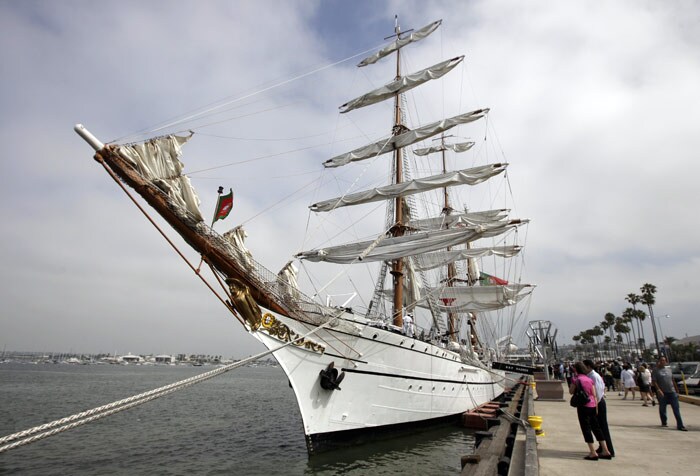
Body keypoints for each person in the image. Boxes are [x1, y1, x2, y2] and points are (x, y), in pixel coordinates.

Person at [570, 362, 613, 460]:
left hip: (583, 406)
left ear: (576, 370)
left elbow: (571, 391)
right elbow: (594, 394)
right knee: (596, 427)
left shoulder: (576, 379)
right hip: (593, 405)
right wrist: (596, 408)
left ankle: (593, 452)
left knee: (586, 428)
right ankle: (606, 450)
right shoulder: (589, 379)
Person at [583, 359, 615, 457]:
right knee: (597, 427)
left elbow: (598, 393)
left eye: (584, 366)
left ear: (588, 366)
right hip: (596, 403)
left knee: (602, 427)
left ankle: (609, 449)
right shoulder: (590, 376)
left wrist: (595, 406)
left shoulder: (594, 376)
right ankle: (602, 447)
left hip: (598, 403)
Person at [652, 356, 687, 431]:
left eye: (664, 360)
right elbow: (654, 381)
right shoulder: (655, 370)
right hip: (662, 393)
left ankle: (680, 425)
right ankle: (664, 422)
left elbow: (673, 380)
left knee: (676, 409)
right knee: (662, 408)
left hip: (672, 392)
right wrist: (658, 390)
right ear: (659, 361)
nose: (663, 362)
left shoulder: (669, 370)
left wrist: (677, 391)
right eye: (661, 360)